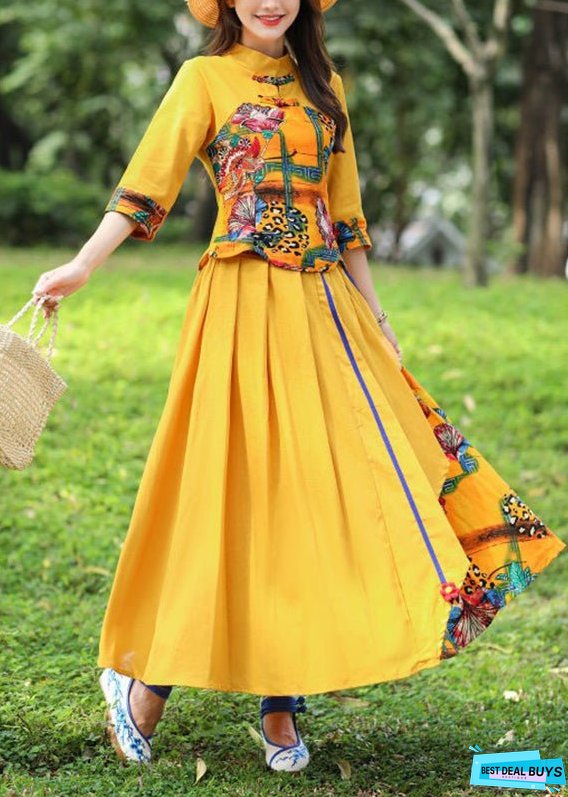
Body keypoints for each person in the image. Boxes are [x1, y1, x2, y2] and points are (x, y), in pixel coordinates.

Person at [31, 0, 566, 774]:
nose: (269, 1)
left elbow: (346, 219)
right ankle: (145, 682)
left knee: (313, 492)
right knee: (227, 489)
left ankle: (281, 700)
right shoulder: (203, 78)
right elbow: (147, 184)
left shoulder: (327, 88)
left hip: (323, 308)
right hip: (238, 305)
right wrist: (83, 264)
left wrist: (378, 317)